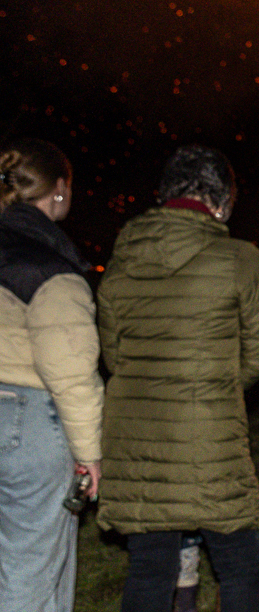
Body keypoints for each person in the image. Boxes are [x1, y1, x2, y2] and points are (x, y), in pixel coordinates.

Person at [97, 144, 259, 612]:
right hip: (208, 436)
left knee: (150, 567)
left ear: (163, 196)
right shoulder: (241, 259)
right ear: (222, 203)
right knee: (241, 564)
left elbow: (114, 354)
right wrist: (211, 382)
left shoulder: (121, 259)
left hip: (136, 434)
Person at [0, 139, 103, 612]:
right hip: (25, 427)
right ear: (59, 190)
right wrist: (89, 456)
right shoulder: (51, 269)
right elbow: (73, 376)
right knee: (31, 570)